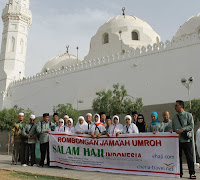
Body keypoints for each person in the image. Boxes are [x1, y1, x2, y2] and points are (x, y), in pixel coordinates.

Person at [171, 100, 196, 179]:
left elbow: (191, 126)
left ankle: (192, 173)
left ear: (181, 106)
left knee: (189, 157)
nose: (175, 107)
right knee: (178, 158)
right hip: (177, 141)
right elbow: (173, 127)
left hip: (186, 140)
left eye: (176, 105)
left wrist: (183, 129)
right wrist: (172, 130)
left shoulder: (188, 115)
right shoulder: (174, 117)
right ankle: (179, 172)